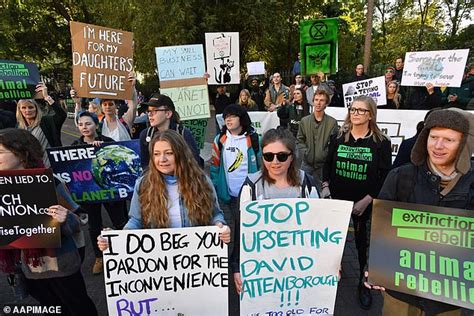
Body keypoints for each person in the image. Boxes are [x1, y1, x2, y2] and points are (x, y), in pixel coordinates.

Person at [366, 108, 473, 315]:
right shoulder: (400, 176)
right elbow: (381, 227)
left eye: (448, 140)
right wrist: (376, 265)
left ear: (463, 144)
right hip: (399, 293)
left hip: (448, 298)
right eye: (433, 137)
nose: (438, 146)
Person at [0, 128, 98, 316]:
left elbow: (81, 218)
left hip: (61, 265)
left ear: (21, 154)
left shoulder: (49, 182)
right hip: (27, 267)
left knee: (78, 307)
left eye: (1, 152)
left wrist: (65, 218)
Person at [322, 95, 392, 310]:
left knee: (362, 244)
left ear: (370, 114)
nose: (355, 113)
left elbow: (384, 175)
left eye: (361, 110)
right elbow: (328, 164)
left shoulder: (381, 143)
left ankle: (363, 281)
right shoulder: (339, 137)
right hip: (336, 200)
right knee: (333, 239)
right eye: (353, 109)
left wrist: (368, 199)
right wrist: (325, 186)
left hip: (363, 203)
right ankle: (330, 274)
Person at [231, 128, 319, 295]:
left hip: (299, 264)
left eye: (282, 156)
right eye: (268, 156)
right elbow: (241, 230)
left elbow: (319, 228)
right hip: (262, 266)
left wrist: (330, 263)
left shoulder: (307, 183)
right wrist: (237, 266)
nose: (275, 161)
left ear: (292, 156)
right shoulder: (251, 185)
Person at [97, 129, 230, 241]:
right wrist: (115, 238)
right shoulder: (144, 184)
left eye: (169, 153)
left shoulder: (201, 181)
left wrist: (220, 226)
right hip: (160, 265)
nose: (162, 159)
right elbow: (135, 221)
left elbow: (215, 214)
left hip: (196, 260)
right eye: (156, 154)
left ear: (180, 154)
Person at [71, 111, 128, 274]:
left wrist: (102, 149)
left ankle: (124, 252)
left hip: (109, 190)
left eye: (88, 124)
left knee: (120, 221)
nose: (84, 127)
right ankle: (99, 257)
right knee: (94, 226)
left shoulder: (108, 142)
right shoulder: (74, 146)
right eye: (81, 124)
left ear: (96, 125)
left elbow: (119, 161)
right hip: (89, 193)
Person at [210, 104, 261, 247]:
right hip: (228, 194)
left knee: (246, 227)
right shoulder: (219, 140)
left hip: (249, 194)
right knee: (232, 227)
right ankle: (233, 260)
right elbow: (214, 165)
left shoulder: (255, 140)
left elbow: (261, 165)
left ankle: (242, 257)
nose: (228, 119)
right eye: (226, 117)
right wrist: (216, 187)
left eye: (232, 116)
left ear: (242, 118)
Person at [139, 94, 202, 169]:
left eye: (155, 110)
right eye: (148, 111)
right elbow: (145, 165)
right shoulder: (146, 135)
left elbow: (194, 162)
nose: (150, 114)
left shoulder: (183, 133)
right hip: (155, 178)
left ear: (168, 114)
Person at [16, 83, 67, 167]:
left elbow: (61, 115)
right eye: (24, 108)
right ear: (19, 110)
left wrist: (47, 97)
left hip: (51, 167)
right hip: (30, 169)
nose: (27, 110)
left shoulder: (46, 122)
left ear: (36, 108)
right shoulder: (18, 127)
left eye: (31, 107)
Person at [297, 90, 338, 189]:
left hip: (323, 166)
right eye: (316, 100)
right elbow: (299, 140)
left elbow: (334, 145)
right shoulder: (304, 121)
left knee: (321, 193)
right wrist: (306, 152)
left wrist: (324, 154)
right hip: (306, 163)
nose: (318, 103)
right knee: (302, 190)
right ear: (313, 101)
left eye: (322, 100)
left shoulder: (332, 122)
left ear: (326, 103)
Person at [97, 72, 137, 141]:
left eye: (110, 104)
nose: (107, 107)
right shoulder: (98, 126)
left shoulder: (125, 120)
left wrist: (132, 87)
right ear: (101, 107)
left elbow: (133, 107)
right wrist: (78, 103)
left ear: (116, 106)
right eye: (105, 104)